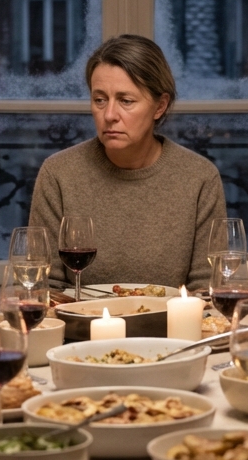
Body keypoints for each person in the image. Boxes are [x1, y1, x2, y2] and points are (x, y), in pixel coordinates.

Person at [29, 34, 226, 290]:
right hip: (79, 328)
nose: (109, 115)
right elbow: (43, 286)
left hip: (172, 330)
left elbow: (207, 289)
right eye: (100, 100)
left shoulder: (200, 177)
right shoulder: (59, 173)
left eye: (126, 101)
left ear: (160, 106)